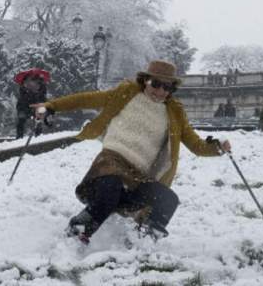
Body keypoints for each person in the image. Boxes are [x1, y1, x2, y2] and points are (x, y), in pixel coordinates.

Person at [32, 60, 230, 243]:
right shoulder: (126, 93)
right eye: (155, 83)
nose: (160, 91)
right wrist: (51, 106)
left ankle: (145, 242)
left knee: (168, 199)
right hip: (111, 161)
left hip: (138, 176)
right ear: (145, 81)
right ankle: (77, 232)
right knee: (111, 186)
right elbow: (86, 99)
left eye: (167, 87)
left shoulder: (175, 113)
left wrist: (217, 148)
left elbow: (196, 144)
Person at [14, 69, 48, 139]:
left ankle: (38, 137)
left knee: (38, 120)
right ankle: (19, 137)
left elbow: (43, 98)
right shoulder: (24, 89)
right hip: (25, 105)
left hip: (37, 104)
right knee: (21, 119)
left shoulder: (40, 86)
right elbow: (22, 99)